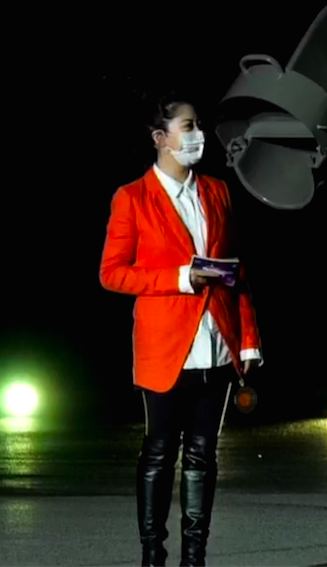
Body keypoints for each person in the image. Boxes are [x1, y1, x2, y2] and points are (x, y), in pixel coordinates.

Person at [100, 94, 263, 567]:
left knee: (203, 454)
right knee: (159, 451)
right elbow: (112, 273)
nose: (198, 135)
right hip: (166, 346)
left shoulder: (217, 190)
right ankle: (153, 555)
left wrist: (248, 338)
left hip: (217, 342)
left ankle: (195, 558)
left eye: (198, 125)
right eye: (187, 127)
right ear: (161, 138)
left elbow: (237, 271)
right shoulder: (132, 197)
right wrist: (179, 278)